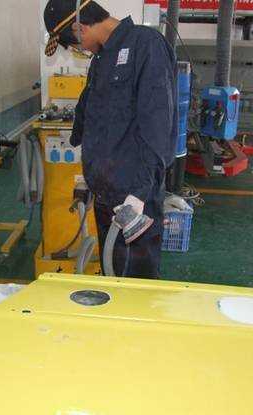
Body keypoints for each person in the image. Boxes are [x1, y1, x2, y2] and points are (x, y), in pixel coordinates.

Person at [43, 0, 177, 279]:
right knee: (112, 272)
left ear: (79, 28)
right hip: (107, 192)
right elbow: (91, 110)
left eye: (74, 44)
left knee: (135, 279)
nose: (79, 50)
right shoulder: (101, 58)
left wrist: (140, 193)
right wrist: (88, 164)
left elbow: (157, 124)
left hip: (134, 194)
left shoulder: (146, 45)